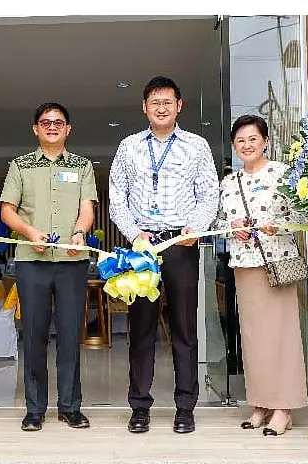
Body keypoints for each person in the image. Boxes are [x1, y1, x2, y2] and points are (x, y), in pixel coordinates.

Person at [108, 76, 219, 434]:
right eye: (155, 102)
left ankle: (185, 407)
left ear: (179, 106)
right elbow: (117, 198)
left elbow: (209, 194)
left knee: (184, 328)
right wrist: (134, 235)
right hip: (142, 247)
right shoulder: (128, 146)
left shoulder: (197, 146)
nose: (161, 107)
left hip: (180, 245)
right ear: (144, 107)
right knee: (141, 329)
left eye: (167, 102)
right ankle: (139, 406)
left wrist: (195, 228)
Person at [0, 102, 98, 432]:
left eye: (58, 122)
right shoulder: (20, 165)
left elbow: (87, 208)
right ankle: (34, 409)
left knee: (70, 335)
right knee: (34, 335)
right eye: (45, 122)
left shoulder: (83, 166)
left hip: (71, 261)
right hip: (32, 261)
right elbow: (7, 211)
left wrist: (79, 232)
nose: (52, 126)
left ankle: (70, 407)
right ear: (35, 129)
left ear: (68, 129)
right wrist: (29, 232)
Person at [214, 114, 308, 436]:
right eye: (240, 140)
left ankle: (283, 407)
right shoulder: (229, 183)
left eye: (253, 139)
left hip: (277, 263)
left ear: (265, 141)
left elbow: (304, 214)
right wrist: (232, 227)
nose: (247, 145)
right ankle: (260, 404)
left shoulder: (284, 174)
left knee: (281, 336)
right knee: (253, 338)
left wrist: (277, 225)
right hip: (244, 265)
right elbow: (216, 223)